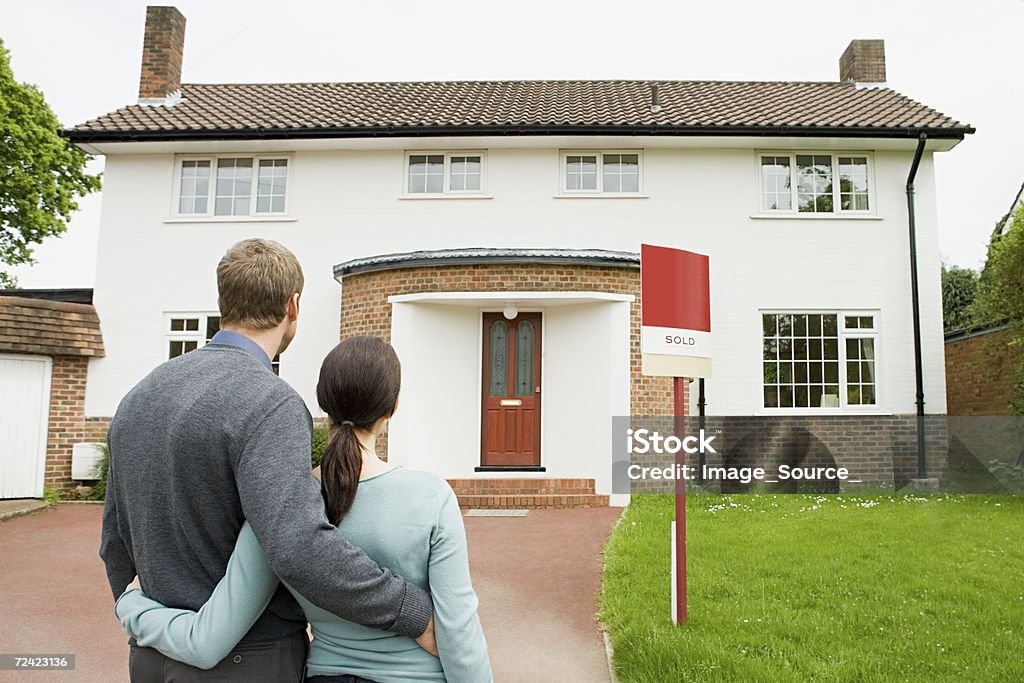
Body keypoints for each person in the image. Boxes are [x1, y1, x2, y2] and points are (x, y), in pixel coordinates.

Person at [100, 239, 436, 682]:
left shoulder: (139, 396)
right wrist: (412, 612)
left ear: (225, 303)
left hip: (149, 656)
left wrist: (141, 613)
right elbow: (299, 546)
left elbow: (114, 542)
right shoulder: (269, 402)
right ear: (292, 306)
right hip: (248, 660)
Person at [113, 336, 493, 683]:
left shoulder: (282, 504)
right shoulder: (430, 496)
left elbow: (206, 641)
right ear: (391, 408)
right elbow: (459, 635)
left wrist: (131, 605)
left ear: (322, 405)